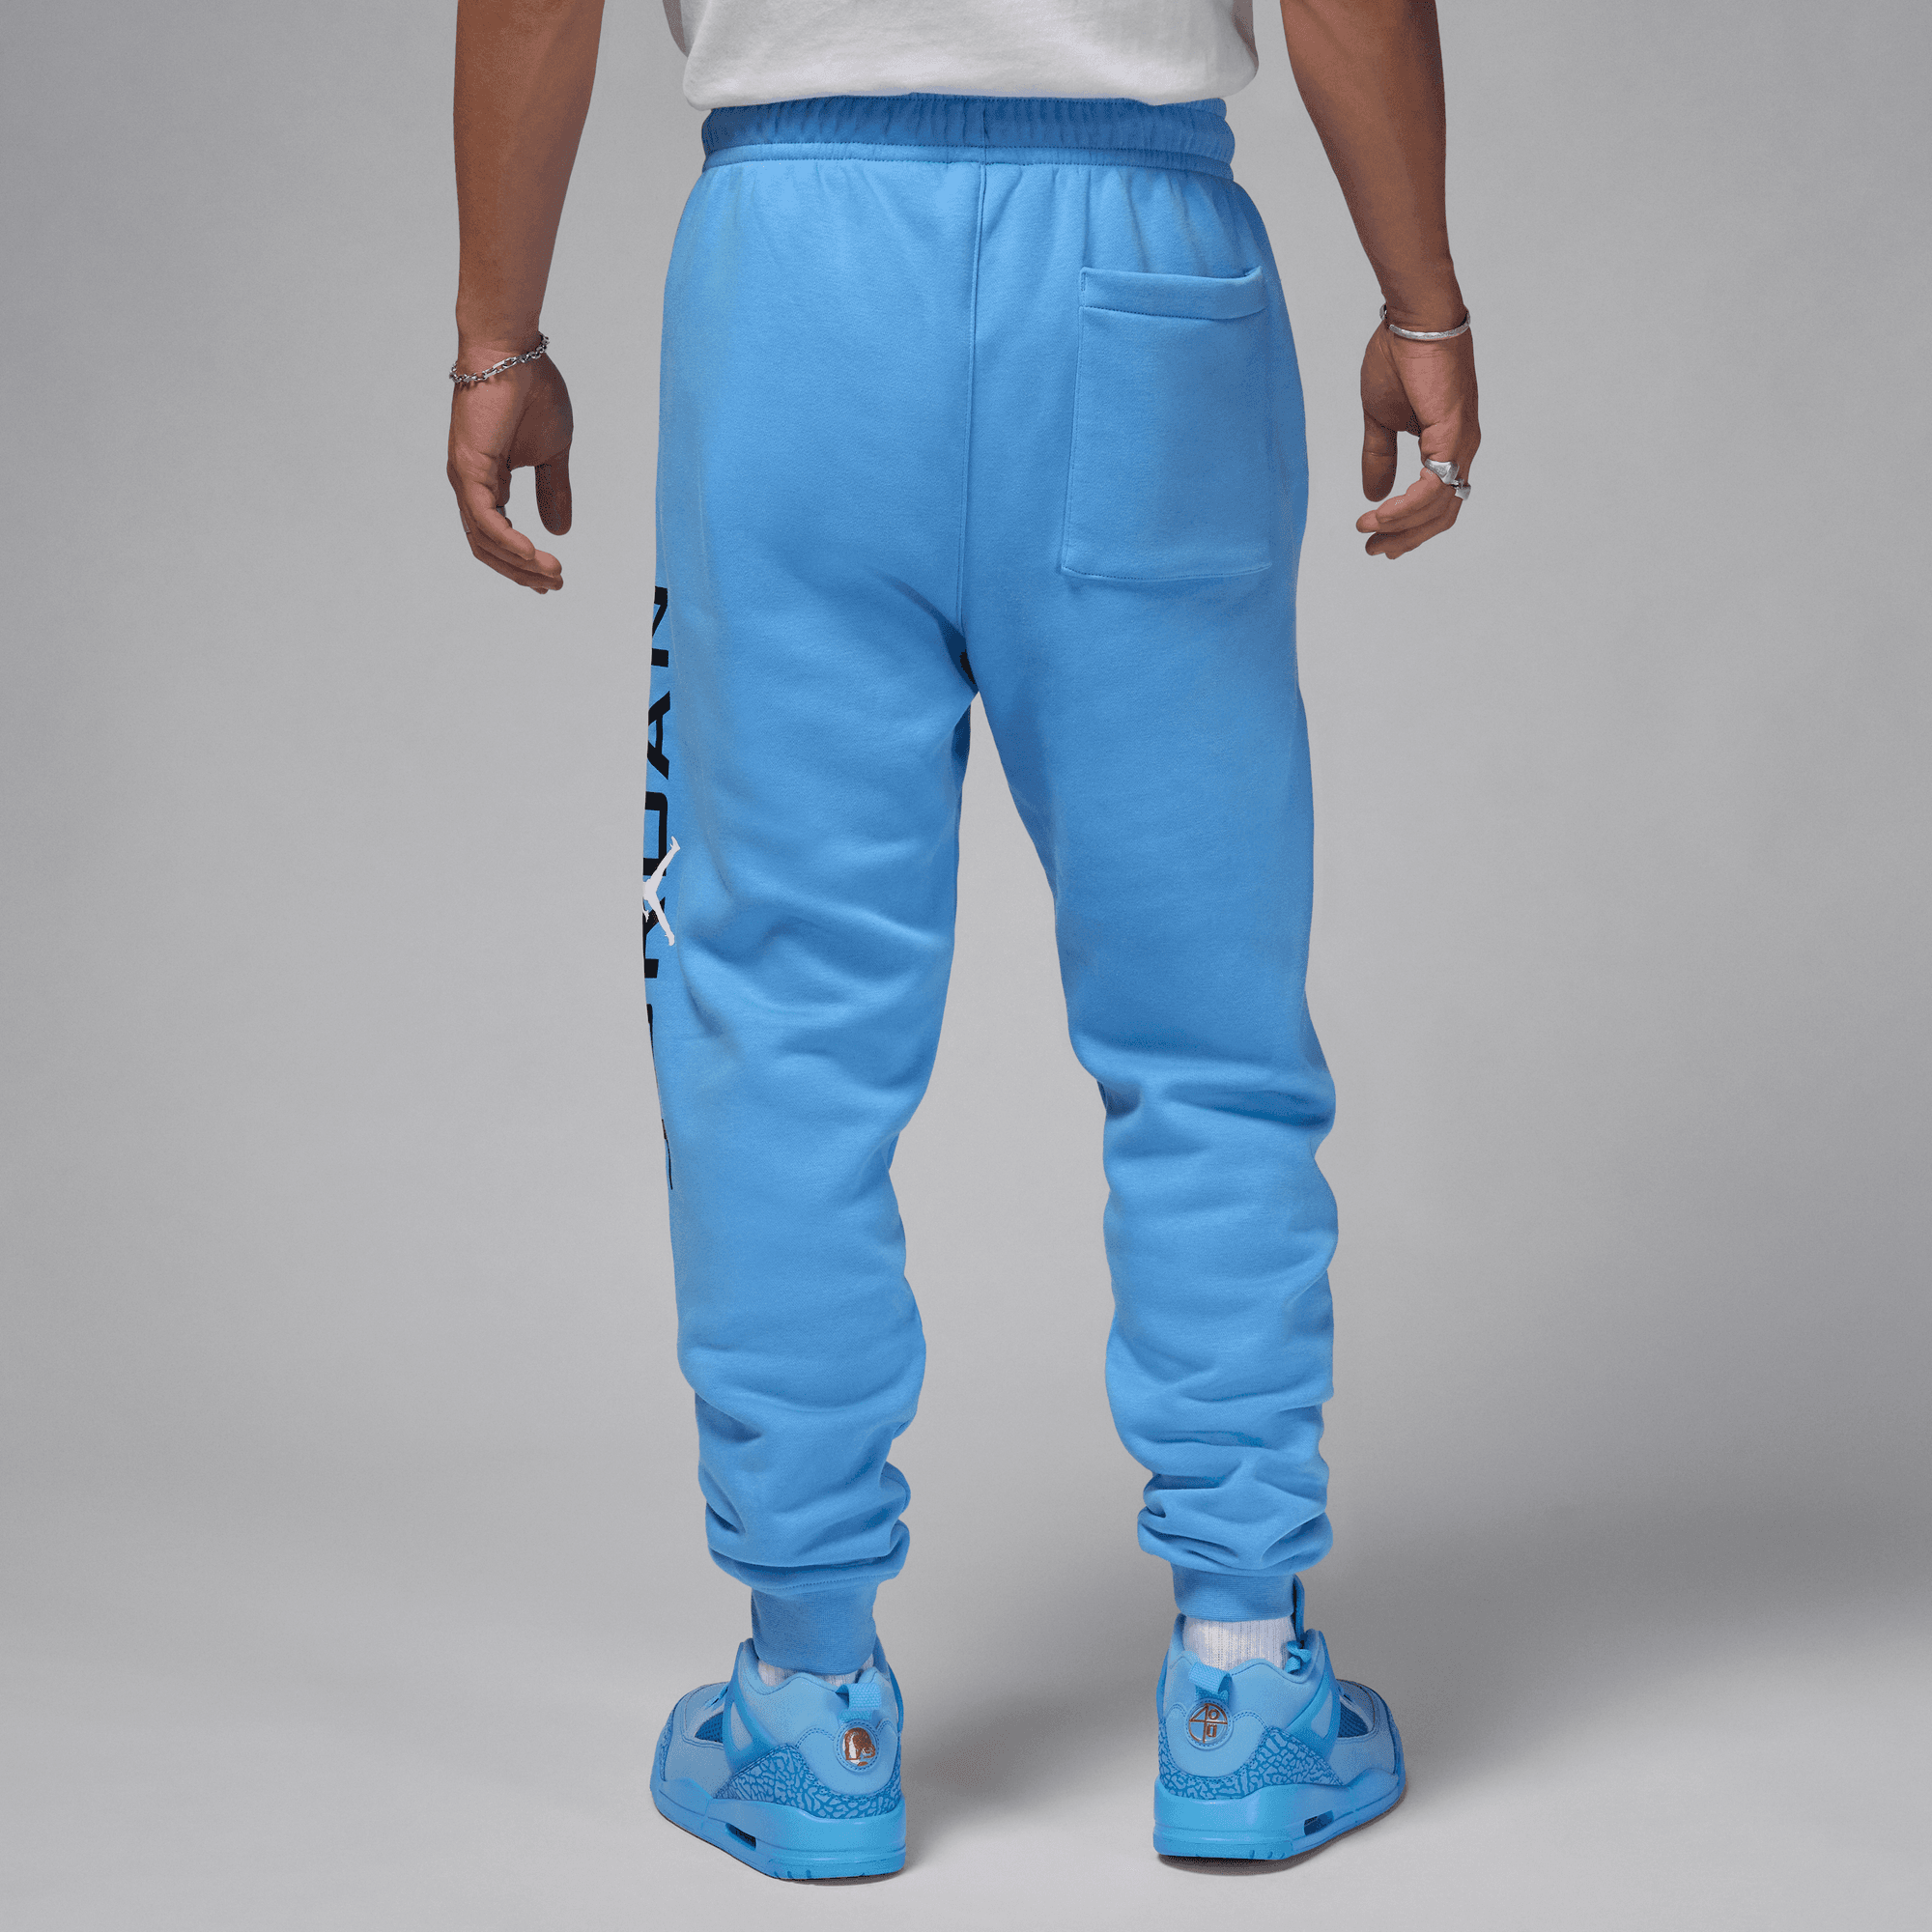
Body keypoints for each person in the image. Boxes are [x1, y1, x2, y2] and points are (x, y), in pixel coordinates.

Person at [447, 0, 1479, 1879]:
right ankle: (1245, 1682)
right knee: (1204, 1021)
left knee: (777, 1020)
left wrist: (496, 337)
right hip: (1143, 275)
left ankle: (807, 1706)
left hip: (794, 286)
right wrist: (1423, 302)